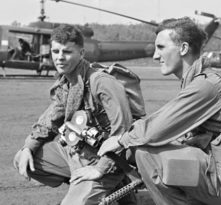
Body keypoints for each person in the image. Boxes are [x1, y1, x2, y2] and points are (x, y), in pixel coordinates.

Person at [97, 17, 221, 205]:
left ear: (182, 49)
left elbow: (157, 128)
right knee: (140, 151)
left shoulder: (206, 85)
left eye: (161, 47)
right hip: (220, 174)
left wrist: (120, 139)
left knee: (146, 153)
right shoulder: (196, 82)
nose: (156, 56)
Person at [13, 24, 136, 205]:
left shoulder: (101, 83)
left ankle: (108, 183)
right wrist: (28, 147)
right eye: (55, 51)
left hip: (106, 160)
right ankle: (102, 187)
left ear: (82, 53)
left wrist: (102, 168)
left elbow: (123, 131)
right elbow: (50, 120)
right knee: (22, 158)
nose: (60, 57)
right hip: (76, 152)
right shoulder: (67, 82)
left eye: (67, 52)